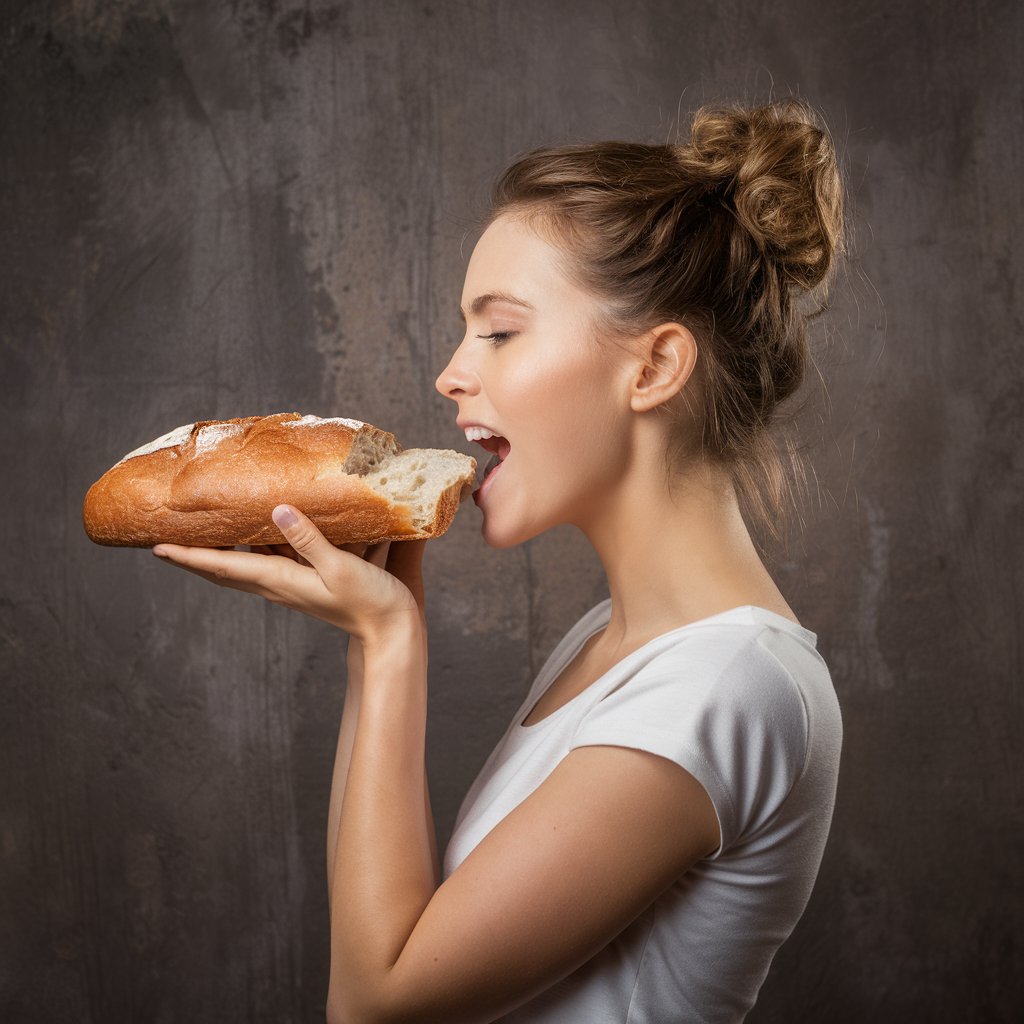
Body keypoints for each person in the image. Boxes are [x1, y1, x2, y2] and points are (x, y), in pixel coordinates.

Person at [153, 96, 845, 1023]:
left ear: (652, 367)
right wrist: (379, 632)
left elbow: (377, 1003)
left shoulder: (728, 687)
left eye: (500, 330)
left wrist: (389, 647)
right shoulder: (611, 641)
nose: (451, 372)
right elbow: (403, 935)